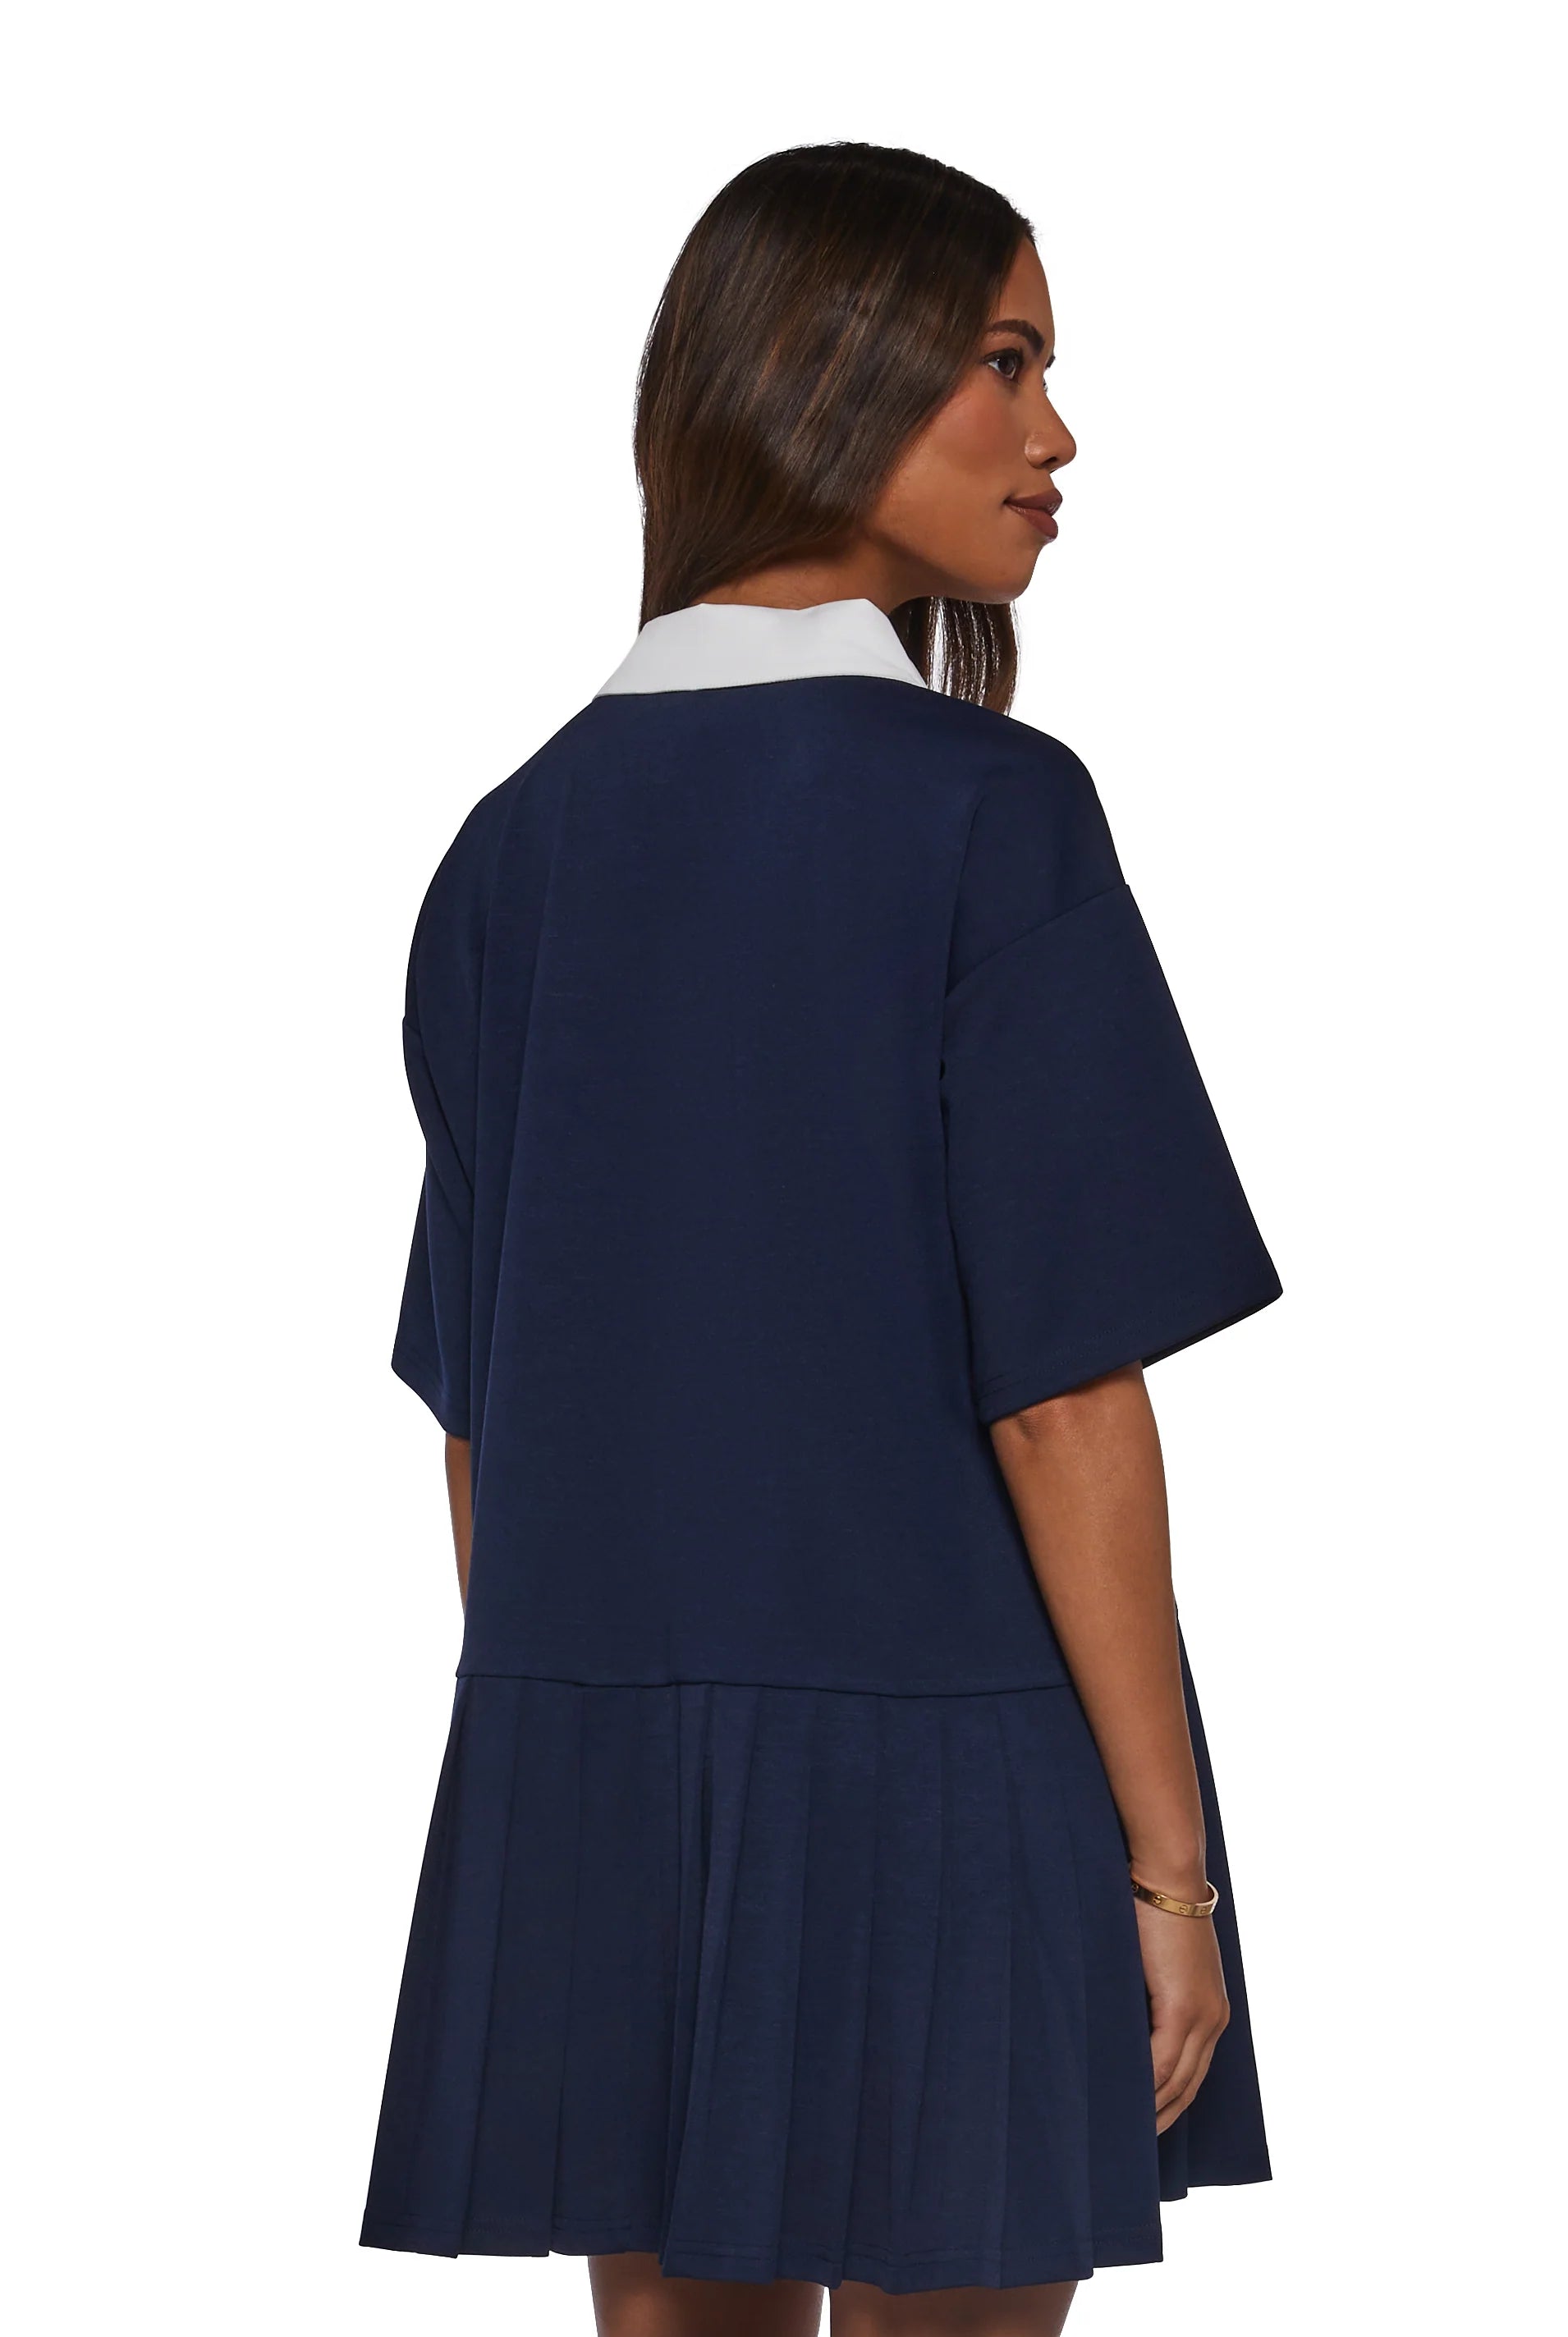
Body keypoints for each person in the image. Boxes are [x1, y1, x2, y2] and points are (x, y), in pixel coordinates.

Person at [359, 142, 1282, 2337]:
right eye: (1007, 361)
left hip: (604, 1788)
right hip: (960, 1771)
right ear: (827, 371)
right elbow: (1063, 1400)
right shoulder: (992, 813)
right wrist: (1168, 1875)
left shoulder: (509, 850)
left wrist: (610, 1789)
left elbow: (482, 1430)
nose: (1058, 434)